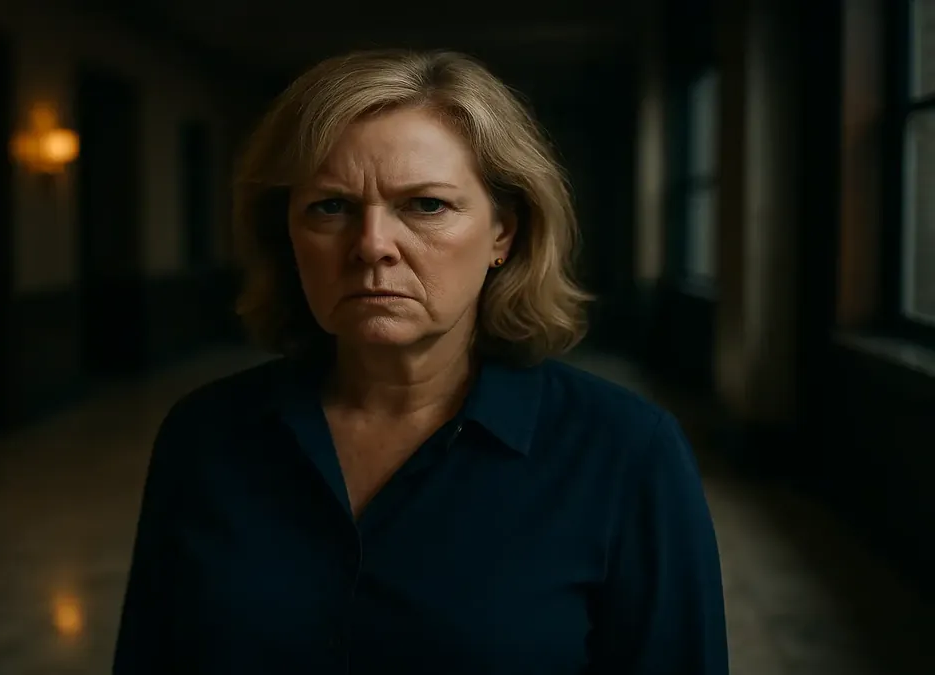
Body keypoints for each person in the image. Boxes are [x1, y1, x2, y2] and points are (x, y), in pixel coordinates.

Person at [113, 49, 728, 675]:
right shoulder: (205, 437)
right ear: (287, 235)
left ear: (502, 234)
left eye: (426, 205)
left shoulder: (625, 452)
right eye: (330, 207)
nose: (373, 246)